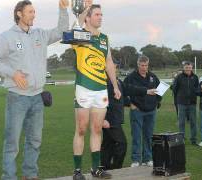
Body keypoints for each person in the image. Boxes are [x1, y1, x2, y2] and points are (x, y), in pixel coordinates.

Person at [0, 1, 69, 179]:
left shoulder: (40, 34)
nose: (34, 15)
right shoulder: (6, 37)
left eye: (34, 12)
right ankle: (9, 177)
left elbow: (62, 31)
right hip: (17, 98)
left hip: (37, 98)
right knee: (12, 143)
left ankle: (30, 175)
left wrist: (63, 9)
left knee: (35, 141)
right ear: (19, 14)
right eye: (30, 12)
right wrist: (13, 73)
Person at [71, 4, 122, 180]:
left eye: (101, 14)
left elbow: (109, 62)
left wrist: (115, 86)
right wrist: (86, 6)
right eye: (97, 14)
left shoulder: (104, 39)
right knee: (81, 129)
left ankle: (95, 169)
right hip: (84, 88)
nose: (100, 17)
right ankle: (77, 171)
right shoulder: (80, 35)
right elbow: (76, 24)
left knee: (97, 129)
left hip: (101, 89)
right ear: (88, 17)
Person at [101, 59, 156, 171]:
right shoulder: (103, 82)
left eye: (116, 66)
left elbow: (129, 89)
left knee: (108, 144)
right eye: (114, 66)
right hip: (109, 120)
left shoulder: (117, 81)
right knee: (122, 144)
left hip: (115, 119)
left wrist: (145, 92)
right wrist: (103, 119)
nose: (115, 68)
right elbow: (99, 101)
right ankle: (116, 168)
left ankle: (104, 167)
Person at [123, 55, 162, 168]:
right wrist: (130, 104)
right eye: (142, 65)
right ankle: (136, 159)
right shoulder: (131, 77)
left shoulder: (153, 77)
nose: (144, 68)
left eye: (146, 65)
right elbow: (123, 92)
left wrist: (156, 103)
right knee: (136, 136)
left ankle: (148, 158)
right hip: (137, 111)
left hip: (151, 111)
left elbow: (160, 91)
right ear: (138, 64)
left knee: (148, 135)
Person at [172, 61, 199, 145]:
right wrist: (178, 99)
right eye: (186, 67)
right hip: (181, 103)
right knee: (181, 122)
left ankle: (193, 140)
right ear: (184, 68)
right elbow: (175, 89)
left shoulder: (195, 77)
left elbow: (197, 89)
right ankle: (181, 140)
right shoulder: (179, 77)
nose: (188, 69)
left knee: (193, 122)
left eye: (189, 67)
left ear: (192, 67)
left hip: (192, 103)